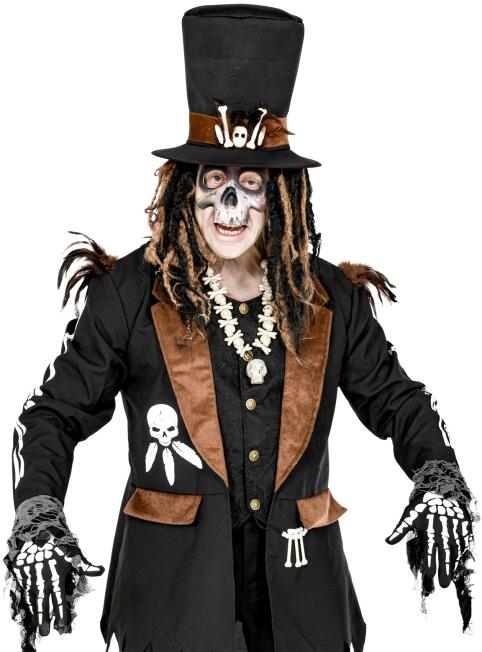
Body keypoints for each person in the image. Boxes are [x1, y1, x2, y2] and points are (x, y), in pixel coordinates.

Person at [4, 5, 477, 652]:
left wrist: (439, 474)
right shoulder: (131, 294)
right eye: (214, 181)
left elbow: (400, 402)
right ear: (186, 190)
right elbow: (53, 415)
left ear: (278, 196)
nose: (230, 205)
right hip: (171, 606)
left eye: (249, 183)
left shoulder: (329, 298)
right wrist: (38, 511)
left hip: (303, 605)